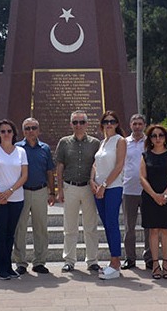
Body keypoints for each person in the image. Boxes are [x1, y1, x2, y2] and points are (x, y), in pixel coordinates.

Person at [55, 111, 101, 273]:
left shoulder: (95, 143)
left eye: (82, 122)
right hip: (70, 187)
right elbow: (60, 167)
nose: (78, 125)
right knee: (70, 227)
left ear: (87, 124)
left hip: (89, 188)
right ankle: (69, 260)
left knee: (91, 226)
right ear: (71, 124)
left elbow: (98, 165)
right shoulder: (64, 142)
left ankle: (92, 260)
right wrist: (59, 190)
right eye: (75, 122)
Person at [0, 119, 28, 280]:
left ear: (14, 133)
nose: (6, 134)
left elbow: (24, 175)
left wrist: (9, 192)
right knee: (0, 233)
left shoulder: (21, 152)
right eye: (3, 131)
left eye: (9, 131)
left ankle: (8, 266)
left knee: (10, 234)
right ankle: (0, 269)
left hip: (16, 198)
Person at [13, 118, 56, 275]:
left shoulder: (44, 148)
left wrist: (52, 192)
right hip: (21, 192)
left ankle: (39, 262)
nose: (31, 131)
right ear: (23, 131)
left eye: (34, 128)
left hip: (40, 191)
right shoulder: (16, 148)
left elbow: (50, 172)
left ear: (39, 130)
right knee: (20, 228)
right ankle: (20, 262)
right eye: (27, 128)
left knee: (40, 228)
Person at [140, 124, 167, 279]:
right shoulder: (145, 155)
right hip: (150, 198)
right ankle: (155, 264)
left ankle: (166, 263)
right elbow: (142, 178)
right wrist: (154, 195)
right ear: (150, 139)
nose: (157, 138)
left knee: (165, 230)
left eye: (160, 135)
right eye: (154, 136)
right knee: (153, 231)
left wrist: (164, 195)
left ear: (165, 137)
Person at [91, 110, 127, 280]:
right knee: (106, 224)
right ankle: (113, 261)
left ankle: (115, 262)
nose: (109, 124)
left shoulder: (120, 141)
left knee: (112, 223)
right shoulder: (102, 142)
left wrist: (104, 185)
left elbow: (119, 166)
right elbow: (96, 164)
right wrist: (93, 181)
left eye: (112, 121)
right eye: (106, 121)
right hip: (98, 189)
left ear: (117, 124)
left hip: (112, 188)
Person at [121, 114, 146, 270]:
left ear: (144, 125)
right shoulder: (124, 143)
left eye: (140, 124)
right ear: (130, 125)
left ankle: (150, 257)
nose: (137, 126)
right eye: (134, 124)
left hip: (147, 189)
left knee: (149, 227)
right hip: (129, 189)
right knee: (129, 227)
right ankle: (130, 258)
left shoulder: (149, 142)